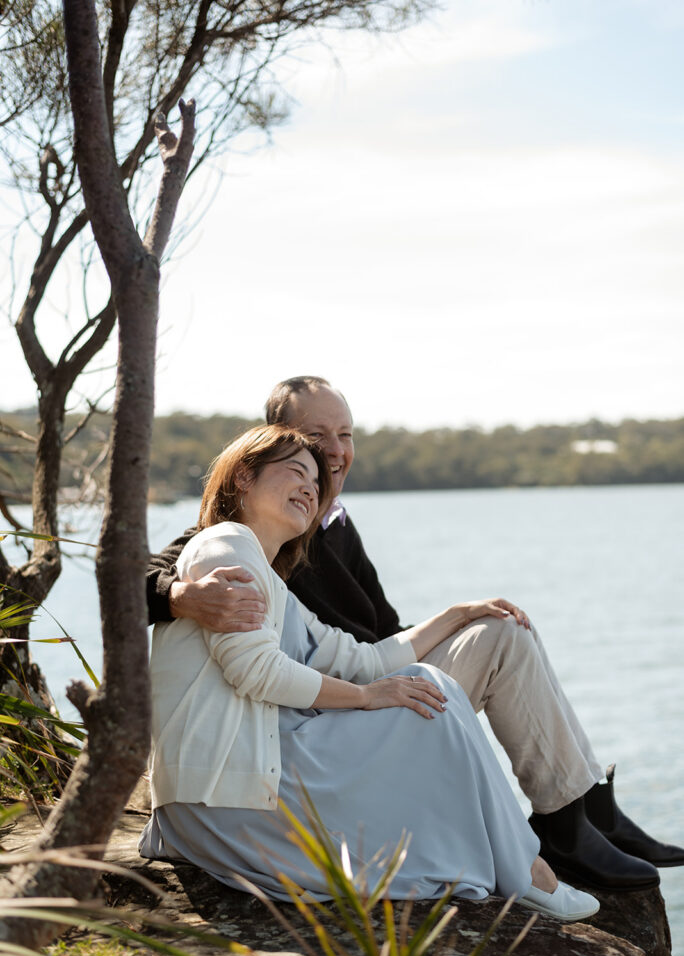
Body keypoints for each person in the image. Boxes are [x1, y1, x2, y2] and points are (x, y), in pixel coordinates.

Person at [146, 377, 684, 891]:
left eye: (345, 435)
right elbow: (142, 579)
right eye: (316, 439)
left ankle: (585, 810)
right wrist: (179, 596)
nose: (335, 451)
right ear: (272, 447)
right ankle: (561, 832)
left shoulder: (331, 523)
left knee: (497, 627)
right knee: (498, 641)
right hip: (321, 721)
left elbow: (378, 632)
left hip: (365, 680)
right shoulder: (237, 537)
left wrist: (454, 616)